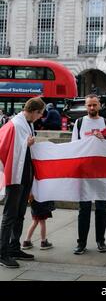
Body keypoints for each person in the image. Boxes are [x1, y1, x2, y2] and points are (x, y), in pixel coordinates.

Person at [0, 97, 46, 268]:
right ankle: (2, 252)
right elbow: (3, 146)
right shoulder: (14, 124)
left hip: (25, 175)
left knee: (19, 214)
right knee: (10, 215)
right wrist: (25, 144)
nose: (40, 117)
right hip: (15, 176)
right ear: (35, 111)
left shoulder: (28, 124)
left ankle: (13, 247)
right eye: (40, 114)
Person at [72, 94, 106, 256]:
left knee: (101, 208)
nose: (92, 108)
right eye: (89, 105)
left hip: (101, 172)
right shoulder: (79, 122)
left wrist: (104, 138)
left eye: (94, 105)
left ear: (99, 105)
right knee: (83, 209)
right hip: (84, 172)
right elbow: (73, 147)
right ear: (85, 106)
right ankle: (81, 243)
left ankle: (101, 241)